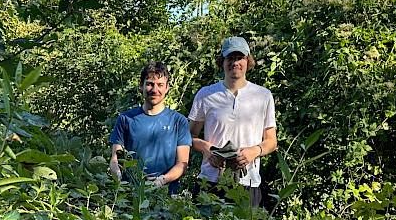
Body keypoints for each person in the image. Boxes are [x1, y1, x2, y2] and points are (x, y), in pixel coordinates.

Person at [188, 36, 278, 207]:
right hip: (210, 182)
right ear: (222, 62)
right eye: (230, 58)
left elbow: (271, 141)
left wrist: (254, 151)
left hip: (248, 182)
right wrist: (208, 150)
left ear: (247, 61)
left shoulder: (263, 95)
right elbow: (188, 136)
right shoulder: (206, 94)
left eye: (239, 58)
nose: (235, 63)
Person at [109, 61, 192, 195]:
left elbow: (182, 164)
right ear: (141, 86)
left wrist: (162, 180)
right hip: (130, 195)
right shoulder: (125, 119)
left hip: (166, 196)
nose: (155, 90)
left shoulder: (179, 121)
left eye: (160, 85)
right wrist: (118, 178)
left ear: (167, 88)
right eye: (149, 84)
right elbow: (115, 158)